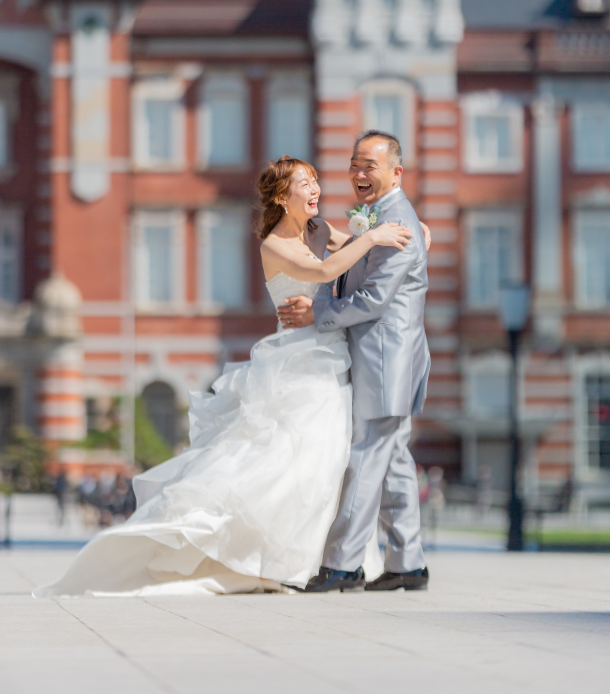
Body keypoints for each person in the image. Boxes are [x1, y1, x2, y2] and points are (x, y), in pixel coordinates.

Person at [35, 153, 425, 598]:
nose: (316, 189)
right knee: (293, 454)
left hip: (333, 355)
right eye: (305, 183)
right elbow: (324, 271)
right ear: (282, 195)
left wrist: (409, 232)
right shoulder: (272, 245)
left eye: (316, 181)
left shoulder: (317, 230)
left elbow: (354, 251)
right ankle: (274, 555)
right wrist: (374, 234)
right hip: (299, 362)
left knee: (332, 458)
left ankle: (327, 558)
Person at [278, 130, 431, 593]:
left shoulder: (397, 220)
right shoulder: (382, 215)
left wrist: (316, 313)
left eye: (370, 165)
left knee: (365, 455)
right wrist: (337, 239)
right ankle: (408, 563)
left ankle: (343, 565)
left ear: (395, 172)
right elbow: (364, 260)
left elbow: (373, 298)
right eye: (355, 164)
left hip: (385, 353)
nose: (360, 173)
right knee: (395, 458)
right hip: (388, 353)